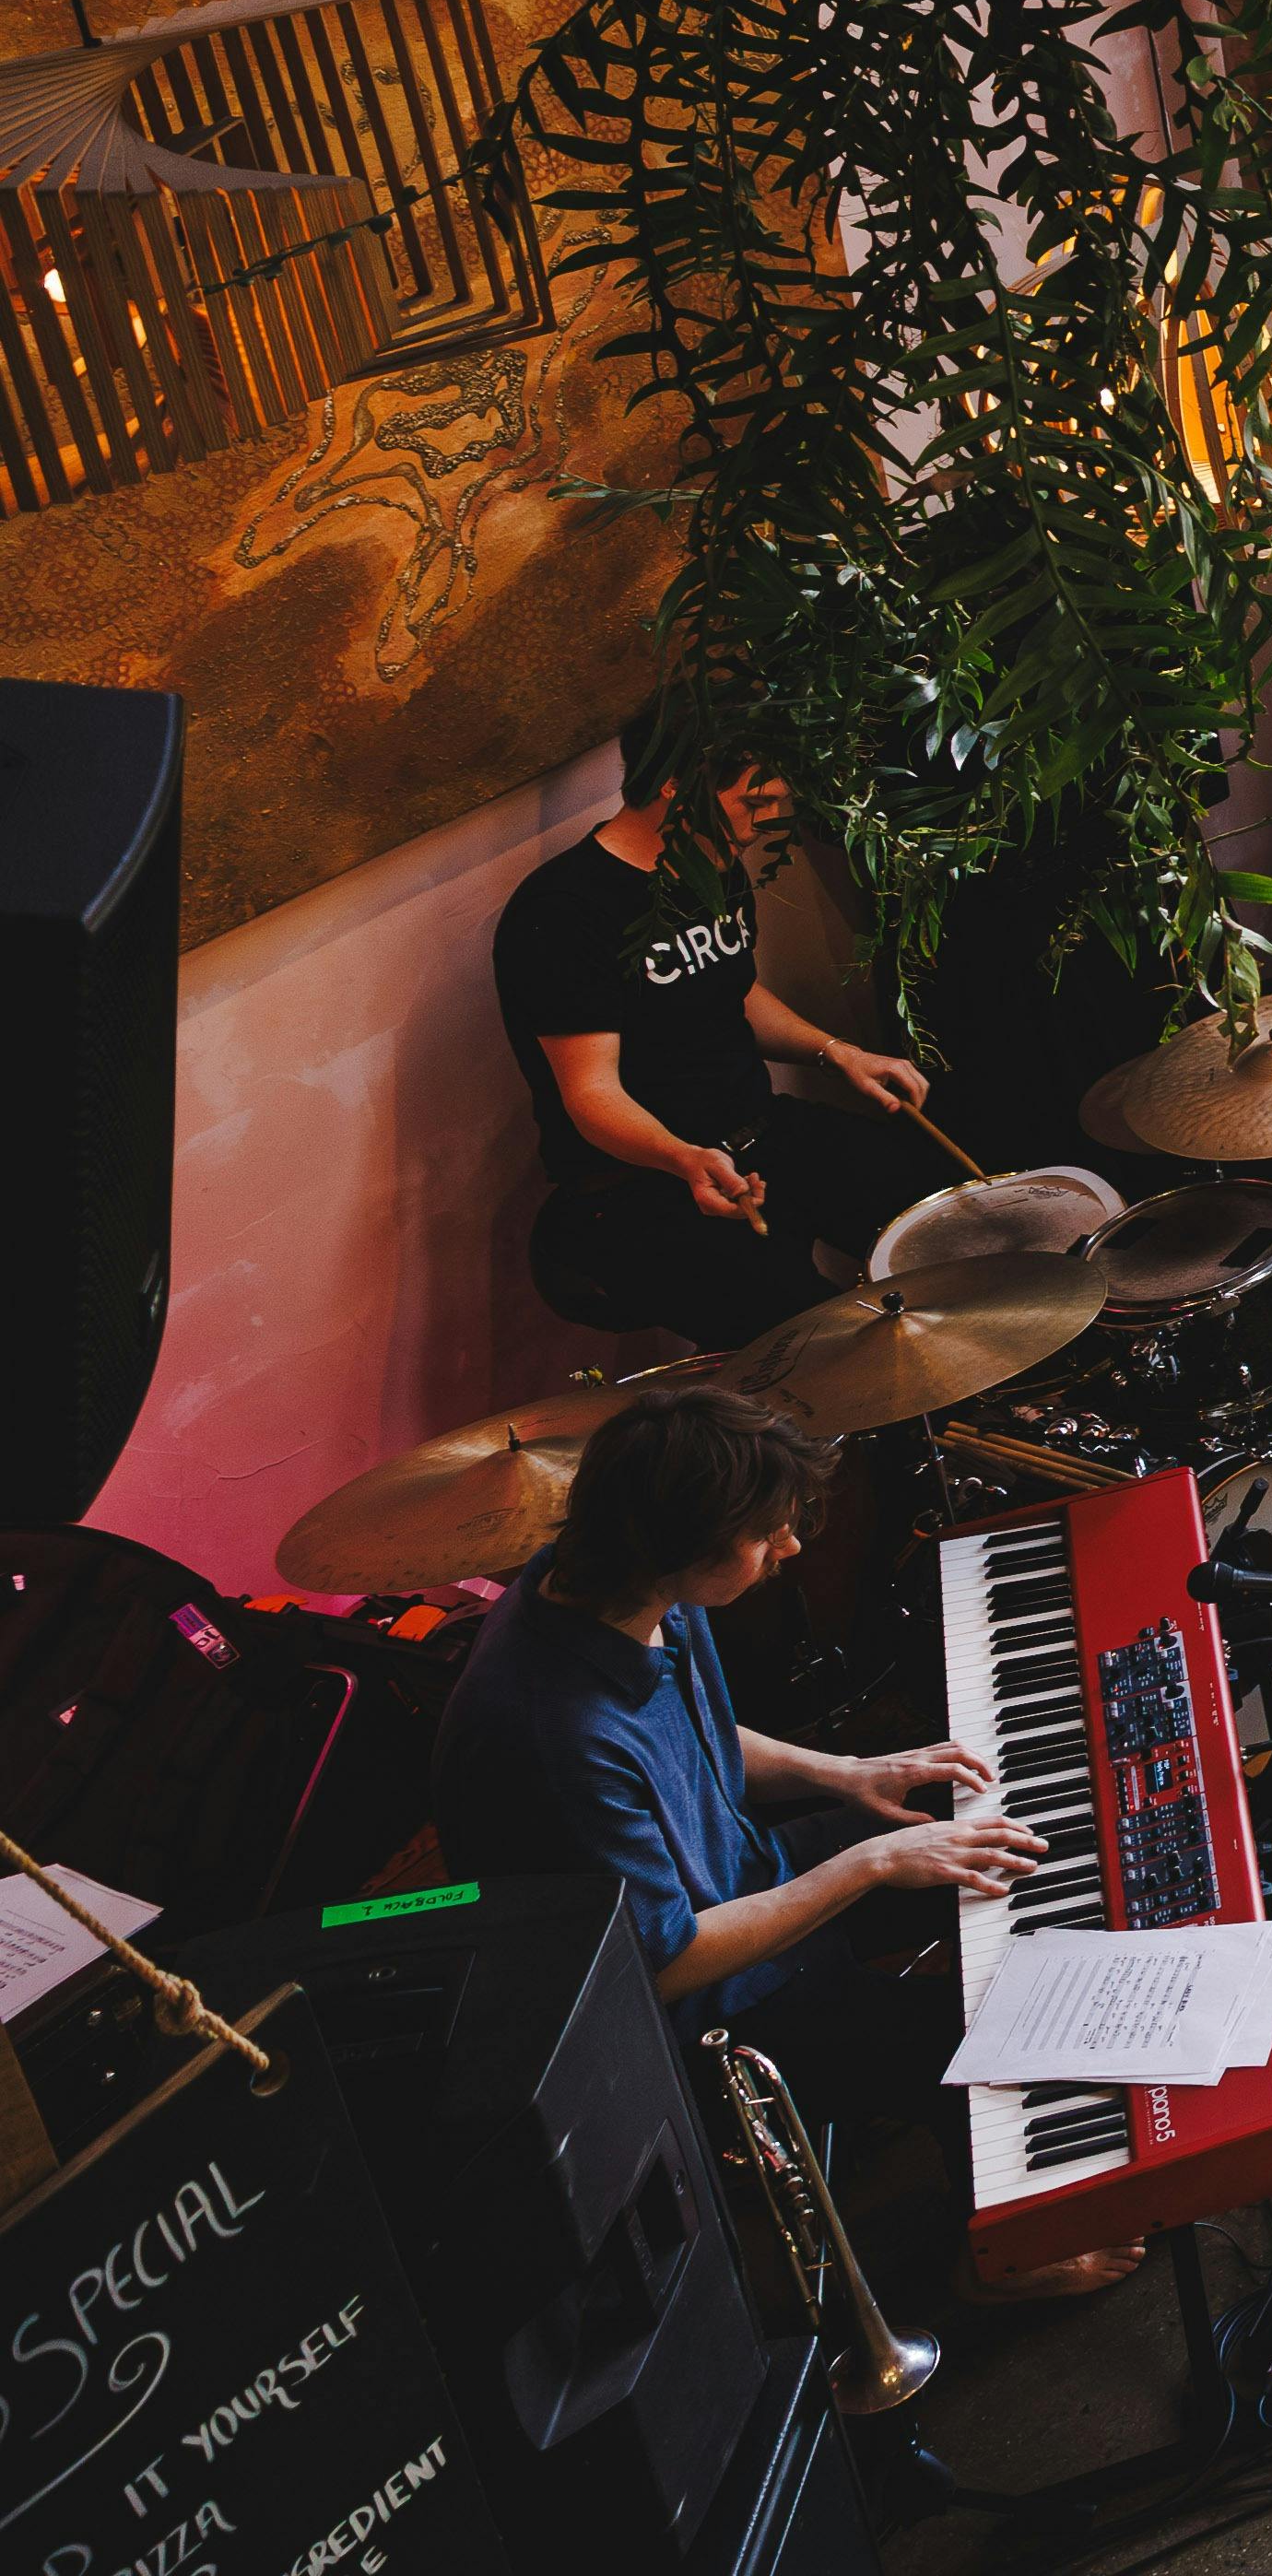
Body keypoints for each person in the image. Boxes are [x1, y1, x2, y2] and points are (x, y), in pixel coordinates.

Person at [428, 1385, 1137, 2299]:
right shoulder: (552, 1734)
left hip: (741, 1883)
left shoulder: (613, 1583)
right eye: (768, 1534)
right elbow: (666, 1963)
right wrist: (869, 1861)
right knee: (960, 2032)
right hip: (696, 2015)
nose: (791, 1547)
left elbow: (693, 1731)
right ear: (681, 1542)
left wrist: (845, 1773)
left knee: (987, 1824)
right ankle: (1002, 2258)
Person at [495, 710, 946, 1355]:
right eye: (754, 800)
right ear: (678, 785)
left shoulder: (711, 863)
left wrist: (839, 1054)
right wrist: (684, 1157)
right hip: (648, 1185)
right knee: (837, 1350)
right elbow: (589, 1093)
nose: (767, 822)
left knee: (947, 1221)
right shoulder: (566, 911)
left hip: (760, 1131)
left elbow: (730, 991)